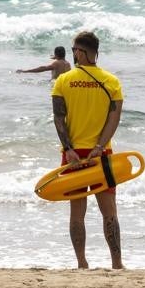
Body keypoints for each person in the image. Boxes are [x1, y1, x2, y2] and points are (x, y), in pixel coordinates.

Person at [51, 31, 124, 269]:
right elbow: (114, 119)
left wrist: (69, 149)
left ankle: (82, 262)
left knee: (77, 212)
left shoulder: (63, 81)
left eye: (74, 50)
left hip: (73, 154)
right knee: (109, 211)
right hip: (101, 154)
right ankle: (116, 263)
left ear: (79, 52)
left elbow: (58, 119)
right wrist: (100, 146)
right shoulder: (111, 81)